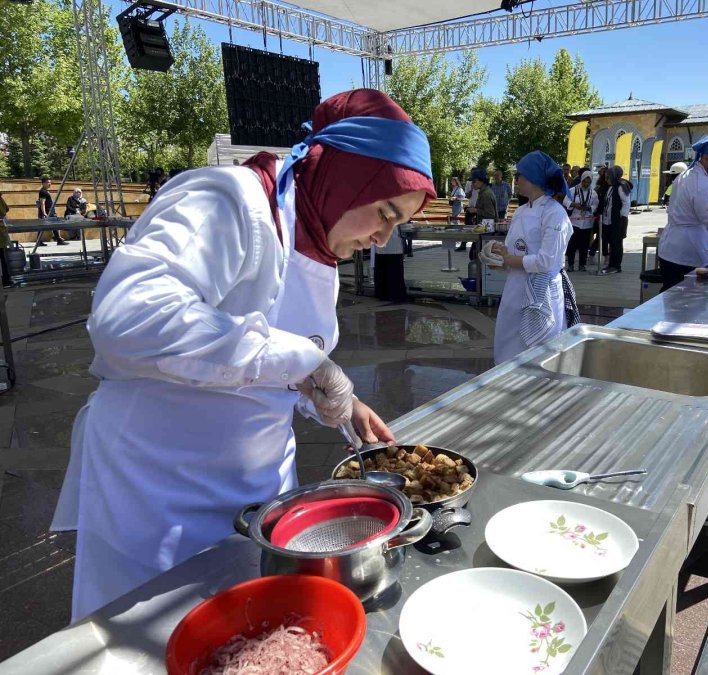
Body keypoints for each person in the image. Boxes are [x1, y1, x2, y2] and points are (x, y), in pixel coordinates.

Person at [50, 89, 436, 621]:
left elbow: (275, 356)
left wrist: (325, 394)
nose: (383, 237)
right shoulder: (226, 201)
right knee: (155, 636)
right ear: (349, 178)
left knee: (254, 631)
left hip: (259, 491)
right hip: (159, 487)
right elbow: (129, 317)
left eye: (399, 225)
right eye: (384, 212)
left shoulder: (317, 238)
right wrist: (301, 362)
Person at [488, 151, 573, 364]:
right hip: (515, 289)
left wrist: (510, 260)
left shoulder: (555, 213)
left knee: (539, 352)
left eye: (520, 175)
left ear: (534, 178)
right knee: (509, 346)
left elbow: (546, 261)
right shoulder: (520, 211)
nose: (516, 180)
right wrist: (496, 256)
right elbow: (512, 251)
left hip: (541, 291)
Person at [658, 136, 708, 290]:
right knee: (687, 304)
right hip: (688, 254)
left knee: (670, 299)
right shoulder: (701, 183)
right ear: (705, 158)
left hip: (672, 249)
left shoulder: (688, 175)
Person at [599, 166, 633, 275]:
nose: (606, 179)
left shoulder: (621, 186)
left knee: (617, 243)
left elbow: (626, 203)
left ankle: (616, 265)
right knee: (611, 242)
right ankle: (611, 265)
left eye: (608, 177)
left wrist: (621, 218)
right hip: (608, 220)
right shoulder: (611, 187)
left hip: (617, 220)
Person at [566, 171, 598, 272]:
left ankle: (582, 264)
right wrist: (574, 205)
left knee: (584, 246)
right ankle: (570, 264)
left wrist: (589, 208)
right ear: (581, 180)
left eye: (588, 182)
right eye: (584, 182)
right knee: (572, 245)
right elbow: (565, 200)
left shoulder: (593, 193)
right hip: (574, 222)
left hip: (587, 223)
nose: (586, 184)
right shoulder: (573, 190)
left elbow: (596, 205)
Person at [373, 226, 408, 302]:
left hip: (381, 245)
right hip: (393, 246)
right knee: (394, 272)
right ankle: (395, 294)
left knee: (382, 271)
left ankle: (383, 294)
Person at [37, 177, 67, 246]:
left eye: (50, 182)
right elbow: (42, 203)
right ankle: (58, 240)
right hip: (48, 212)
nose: (49, 184)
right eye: (48, 182)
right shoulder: (43, 192)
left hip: (51, 211)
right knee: (44, 226)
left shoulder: (46, 191)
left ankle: (58, 239)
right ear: (43, 183)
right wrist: (44, 213)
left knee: (54, 225)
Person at [589, 166, 609, 266]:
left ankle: (604, 256)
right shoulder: (599, 188)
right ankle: (597, 255)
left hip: (606, 215)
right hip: (600, 215)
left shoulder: (610, 187)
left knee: (603, 237)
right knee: (601, 236)